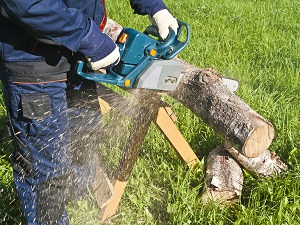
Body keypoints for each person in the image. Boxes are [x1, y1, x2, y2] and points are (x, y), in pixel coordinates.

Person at [0, 0, 178, 224]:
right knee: (46, 169)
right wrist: (86, 36)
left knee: (84, 136)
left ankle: (77, 208)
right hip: (33, 58)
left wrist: (153, 6)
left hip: (76, 52)